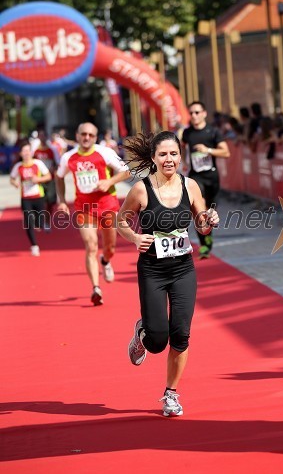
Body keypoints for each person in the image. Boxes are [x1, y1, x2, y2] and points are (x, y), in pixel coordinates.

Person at [117, 130, 219, 417]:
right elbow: (120, 221)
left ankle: (170, 393)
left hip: (183, 268)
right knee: (158, 340)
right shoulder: (141, 190)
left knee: (181, 335)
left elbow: (202, 226)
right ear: (153, 158)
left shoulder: (191, 186)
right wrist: (136, 238)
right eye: (163, 154)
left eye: (174, 153)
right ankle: (142, 332)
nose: (169, 159)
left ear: (180, 156)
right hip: (152, 269)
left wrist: (209, 220)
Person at [56, 122, 131, 306]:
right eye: (83, 134)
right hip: (84, 207)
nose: (86, 137)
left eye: (90, 134)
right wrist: (62, 201)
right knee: (90, 246)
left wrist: (109, 181)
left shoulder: (104, 152)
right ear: (77, 135)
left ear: (95, 137)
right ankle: (96, 288)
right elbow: (59, 176)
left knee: (110, 247)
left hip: (107, 204)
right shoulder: (69, 157)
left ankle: (105, 261)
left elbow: (126, 171)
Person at [181, 101, 230, 259]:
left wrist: (207, 150)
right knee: (198, 208)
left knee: (210, 211)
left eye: (197, 112)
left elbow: (226, 152)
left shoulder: (213, 132)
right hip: (195, 176)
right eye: (192, 113)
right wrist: (183, 162)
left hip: (212, 176)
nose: (194, 116)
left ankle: (208, 236)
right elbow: (183, 148)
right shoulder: (187, 133)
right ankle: (204, 244)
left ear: (204, 113)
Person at [10, 142, 51, 256]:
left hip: (38, 197)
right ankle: (34, 245)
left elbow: (48, 176)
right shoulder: (18, 166)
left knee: (39, 222)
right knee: (28, 222)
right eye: (24, 151)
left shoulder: (38, 163)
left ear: (31, 152)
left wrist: (38, 179)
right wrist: (16, 184)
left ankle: (40, 224)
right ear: (20, 153)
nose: (26, 153)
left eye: (28, 150)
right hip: (26, 198)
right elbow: (12, 179)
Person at [32, 130, 60, 231]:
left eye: (44, 136)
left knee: (50, 201)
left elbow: (57, 162)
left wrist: (54, 169)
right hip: (39, 179)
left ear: (47, 137)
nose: (42, 138)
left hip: (50, 179)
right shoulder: (35, 150)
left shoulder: (52, 149)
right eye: (41, 136)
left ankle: (47, 221)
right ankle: (38, 221)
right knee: (39, 200)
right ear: (38, 137)